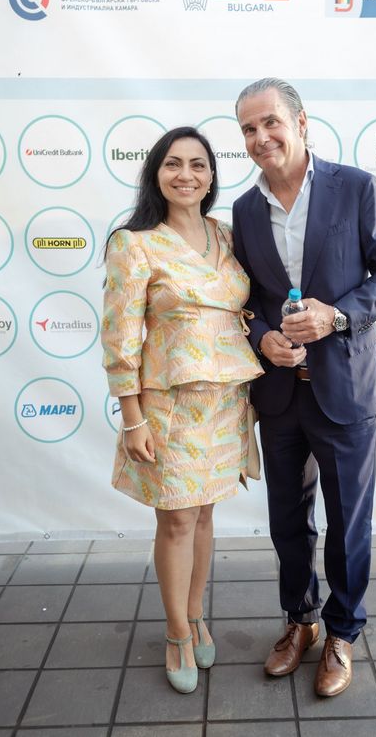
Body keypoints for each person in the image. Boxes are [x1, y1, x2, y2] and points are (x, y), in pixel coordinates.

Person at [232, 79, 376, 697]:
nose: (261, 137)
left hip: (346, 389)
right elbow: (248, 299)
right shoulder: (244, 209)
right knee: (287, 521)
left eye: (270, 123)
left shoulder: (355, 187)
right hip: (281, 393)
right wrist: (263, 337)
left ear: (301, 122)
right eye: (248, 129)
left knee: (348, 522)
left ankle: (342, 632)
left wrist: (335, 316)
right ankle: (300, 620)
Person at [101, 126, 263, 694]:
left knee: (206, 515)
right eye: (173, 164)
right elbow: (120, 339)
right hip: (169, 407)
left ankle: (195, 616)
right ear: (156, 173)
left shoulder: (226, 235)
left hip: (226, 403)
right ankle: (175, 633)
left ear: (212, 175)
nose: (186, 175)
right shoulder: (135, 243)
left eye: (198, 164)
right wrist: (133, 418)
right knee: (176, 520)